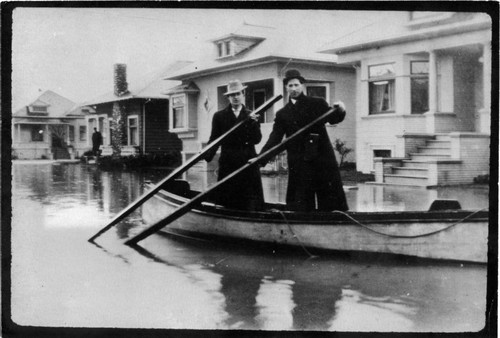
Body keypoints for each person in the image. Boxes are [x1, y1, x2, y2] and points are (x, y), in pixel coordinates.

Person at [258, 69, 348, 212]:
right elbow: (275, 137)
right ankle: (303, 223)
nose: (293, 89)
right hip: (299, 159)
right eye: (290, 86)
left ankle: (334, 222)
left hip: (321, 155)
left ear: (302, 85)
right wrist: (260, 158)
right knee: (301, 198)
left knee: (329, 194)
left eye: (296, 85)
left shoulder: (317, 103)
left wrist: (341, 109)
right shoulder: (283, 113)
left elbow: (333, 118)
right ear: (286, 88)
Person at [204, 80, 264, 210]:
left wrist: (254, 124)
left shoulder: (251, 114)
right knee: (227, 198)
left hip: (247, 160)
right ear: (228, 97)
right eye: (232, 95)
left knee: (250, 198)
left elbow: (257, 139)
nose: (235, 97)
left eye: (238, 94)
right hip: (228, 161)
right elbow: (214, 138)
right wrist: (207, 154)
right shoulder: (219, 116)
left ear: (243, 94)